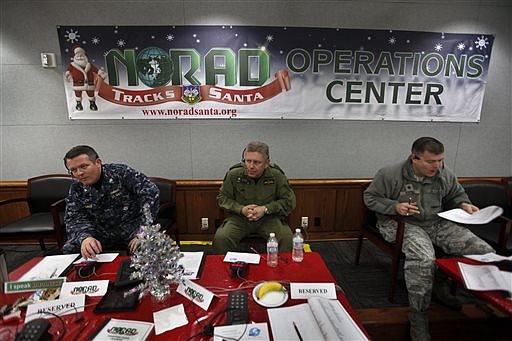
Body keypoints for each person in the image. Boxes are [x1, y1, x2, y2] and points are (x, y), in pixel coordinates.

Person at [363, 137, 494, 341]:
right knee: (423, 258)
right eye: (431, 161)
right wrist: (394, 207)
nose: (437, 166)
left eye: (440, 160)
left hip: (436, 222)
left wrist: (464, 204)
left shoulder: (444, 174)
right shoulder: (390, 174)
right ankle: (418, 316)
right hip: (401, 224)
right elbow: (370, 198)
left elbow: (456, 194)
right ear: (414, 158)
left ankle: (439, 284)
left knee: (483, 251)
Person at [62, 145, 159, 259]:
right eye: (73, 170)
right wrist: (85, 237)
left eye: (84, 166)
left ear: (98, 162)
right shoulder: (76, 188)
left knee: (146, 247)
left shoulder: (120, 173)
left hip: (132, 227)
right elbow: (74, 218)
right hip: (101, 231)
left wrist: (144, 230)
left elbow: (151, 193)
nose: (79, 173)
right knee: (71, 248)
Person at [213, 141, 296, 254]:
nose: (251, 166)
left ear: (267, 163)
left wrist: (266, 209)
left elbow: (289, 202)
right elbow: (222, 198)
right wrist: (241, 209)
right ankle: (226, 269)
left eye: (256, 162)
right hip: (240, 218)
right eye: (248, 161)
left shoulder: (276, 176)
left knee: (286, 238)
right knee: (221, 238)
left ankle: (281, 269)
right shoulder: (234, 174)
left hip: (268, 218)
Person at [65, 45, 106, 111]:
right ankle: (78, 104)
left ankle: (92, 103)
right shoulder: (72, 65)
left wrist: (101, 73)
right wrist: (68, 75)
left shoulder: (89, 65)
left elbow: (96, 70)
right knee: (78, 94)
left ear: (85, 56)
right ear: (75, 57)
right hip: (77, 83)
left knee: (90, 93)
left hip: (89, 83)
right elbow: (68, 71)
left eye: (81, 55)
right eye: (78, 55)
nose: (80, 57)